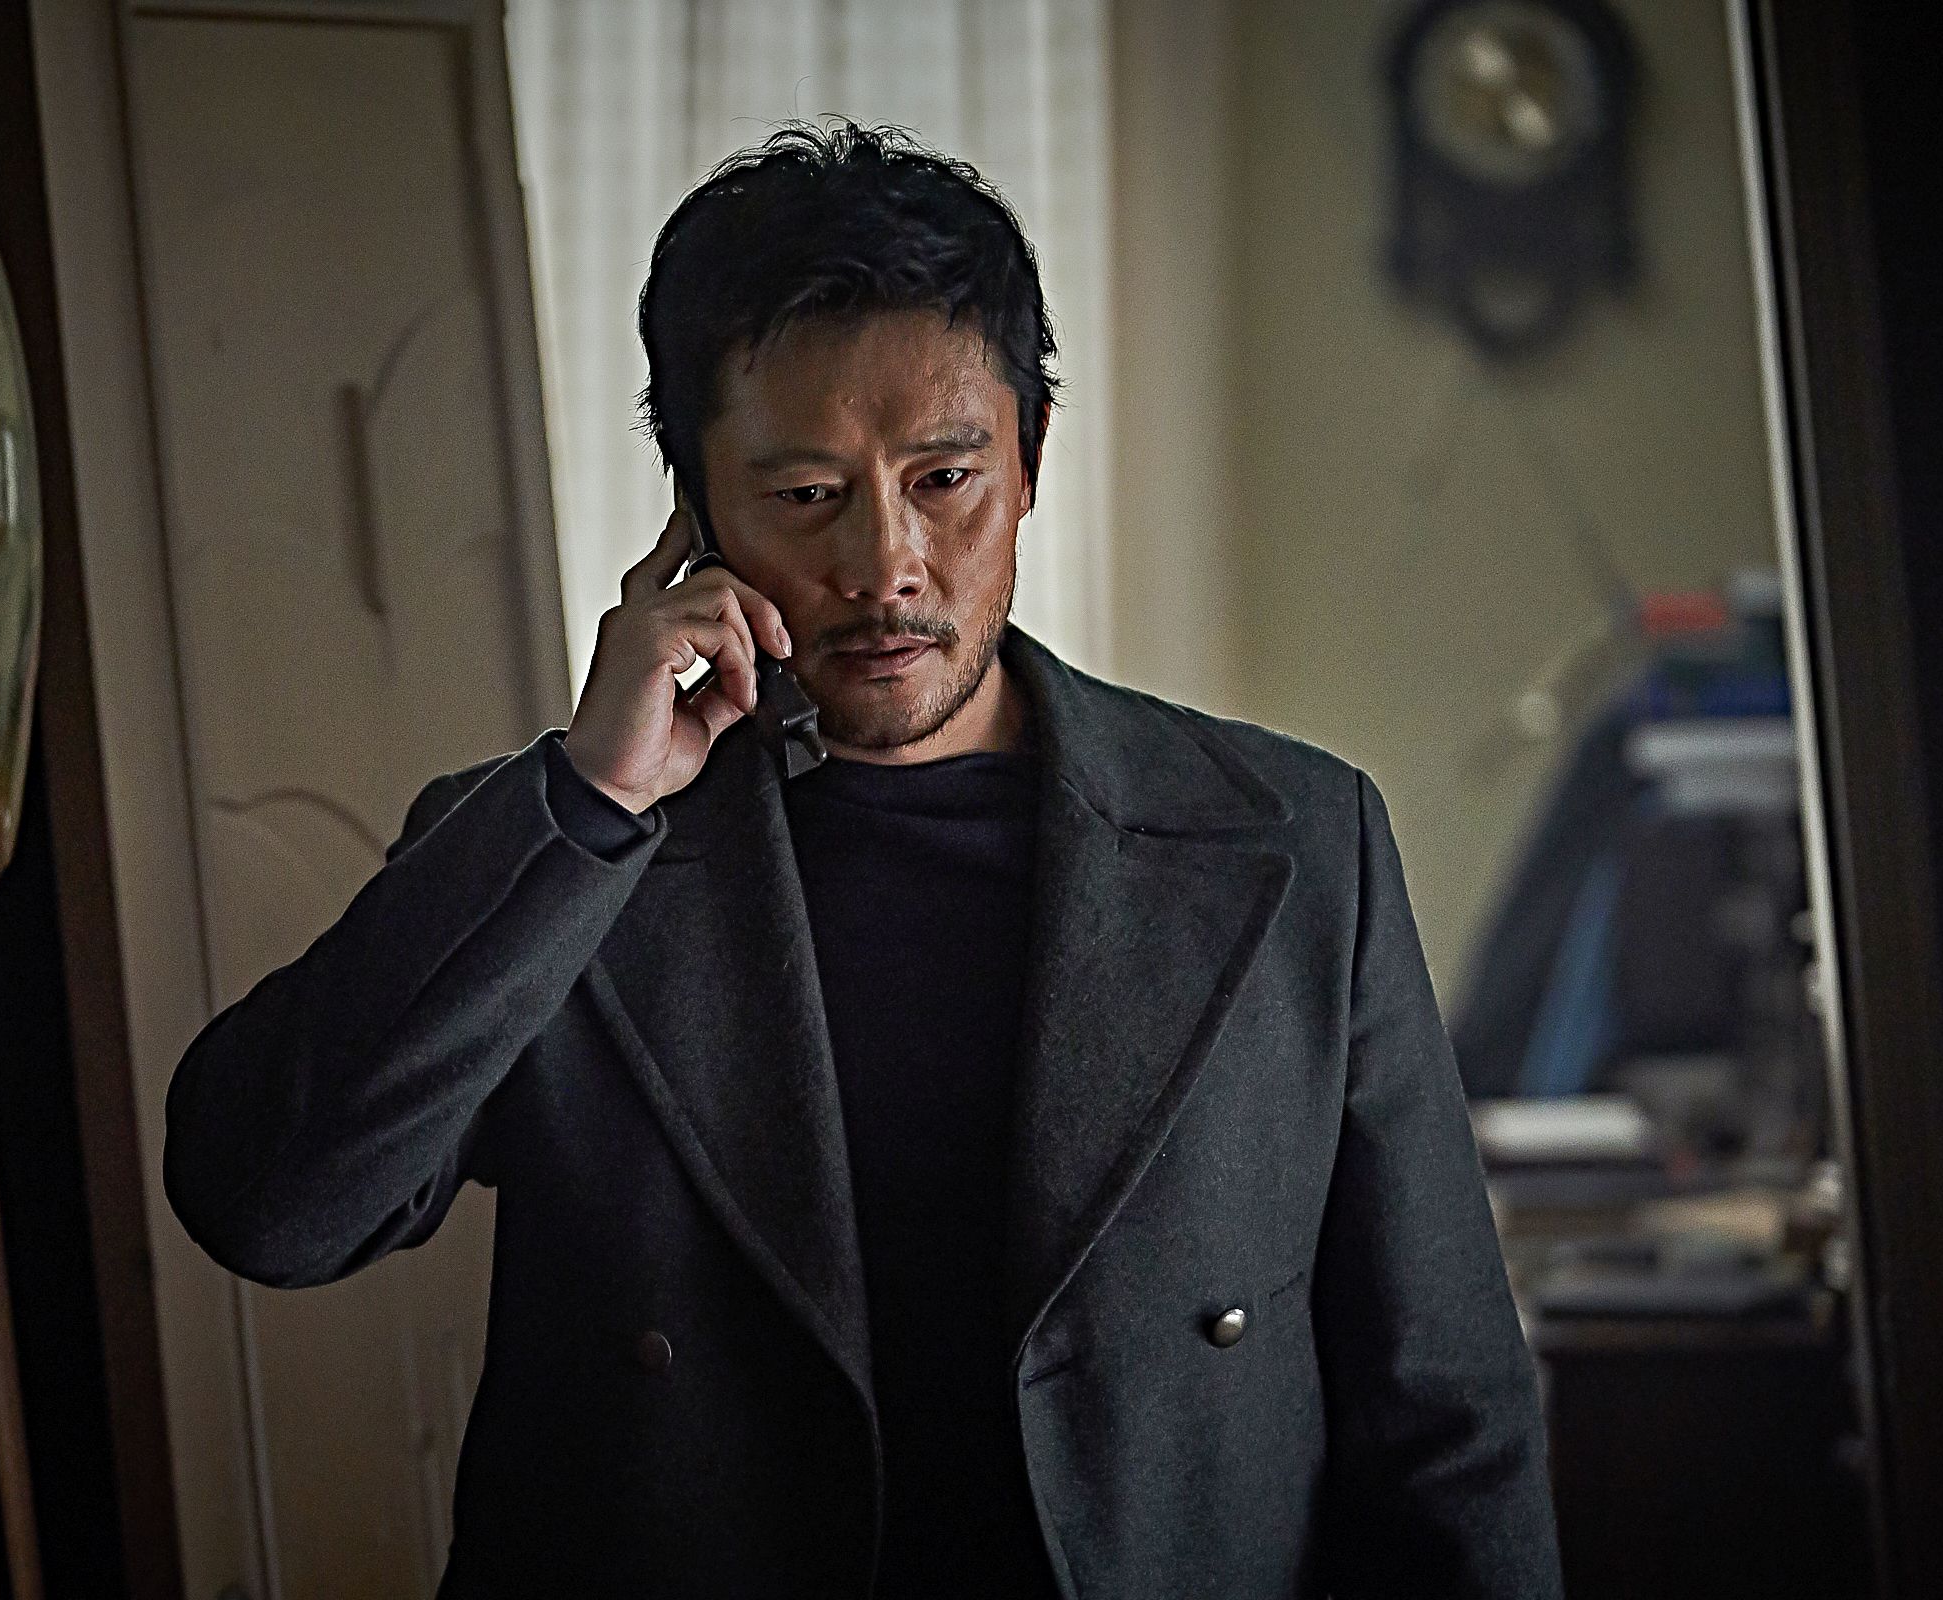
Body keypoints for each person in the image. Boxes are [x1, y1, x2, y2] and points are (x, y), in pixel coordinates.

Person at [163, 122, 1560, 1599]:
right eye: (807, 496)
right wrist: (589, 804)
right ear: (697, 512)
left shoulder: (1290, 841)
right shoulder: (559, 851)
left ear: (1030, 464)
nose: (884, 564)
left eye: (945, 478)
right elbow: (268, 1204)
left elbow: (1449, 1424)